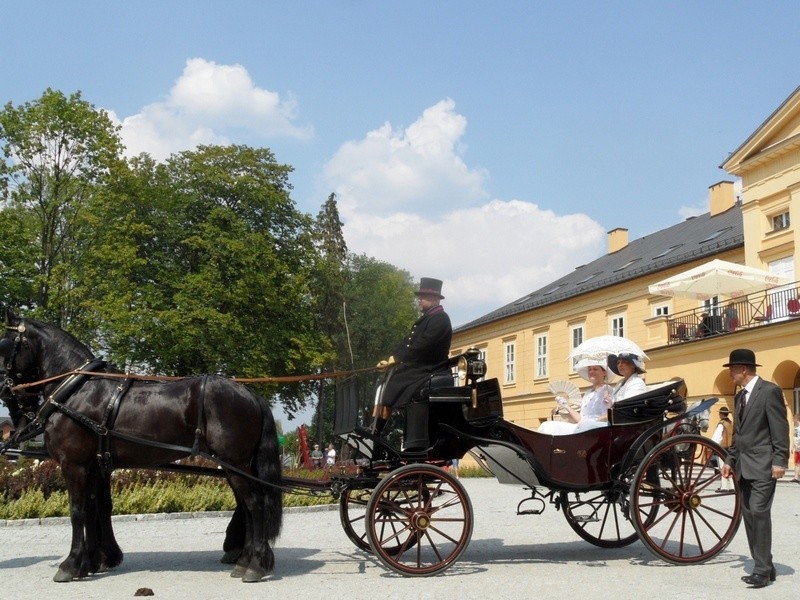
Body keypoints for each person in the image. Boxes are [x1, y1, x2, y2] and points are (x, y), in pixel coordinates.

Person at [720, 349, 790, 588]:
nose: (729, 373)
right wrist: (729, 460)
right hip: (743, 466)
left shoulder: (769, 391)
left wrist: (780, 460)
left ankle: (760, 571)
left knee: (759, 513)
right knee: (749, 515)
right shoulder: (740, 397)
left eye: (731, 369)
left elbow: (780, 428)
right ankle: (766, 565)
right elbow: (738, 435)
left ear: (743, 369)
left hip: (763, 465)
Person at [370, 277, 453, 436]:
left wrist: (398, 359)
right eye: (419, 297)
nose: (419, 300)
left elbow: (423, 345)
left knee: (393, 383)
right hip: (421, 369)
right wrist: (390, 359)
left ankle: (377, 431)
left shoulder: (441, 319)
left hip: (432, 370)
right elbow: (406, 343)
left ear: (435, 299)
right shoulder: (426, 319)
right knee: (385, 381)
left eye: (422, 297)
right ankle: (375, 425)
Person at [538, 358, 613, 435]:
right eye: (589, 369)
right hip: (582, 427)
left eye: (595, 369)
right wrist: (566, 406)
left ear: (604, 372)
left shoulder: (607, 390)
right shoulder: (588, 393)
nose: (591, 371)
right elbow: (580, 419)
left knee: (585, 426)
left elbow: (609, 415)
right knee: (547, 425)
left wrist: (595, 420)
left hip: (596, 429)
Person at [711, 406, 733, 492]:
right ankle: (732, 486)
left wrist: (713, 446)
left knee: (722, 467)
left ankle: (724, 487)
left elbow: (717, 438)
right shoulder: (730, 423)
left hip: (722, 448)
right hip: (730, 449)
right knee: (730, 467)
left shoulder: (722, 424)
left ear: (720, 414)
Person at [792, 414, 800, 484]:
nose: (793, 420)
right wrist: (793, 447)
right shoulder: (795, 428)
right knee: (797, 463)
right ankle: (796, 477)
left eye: (794, 419)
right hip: (797, 449)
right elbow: (794, 438)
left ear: (797, 419)